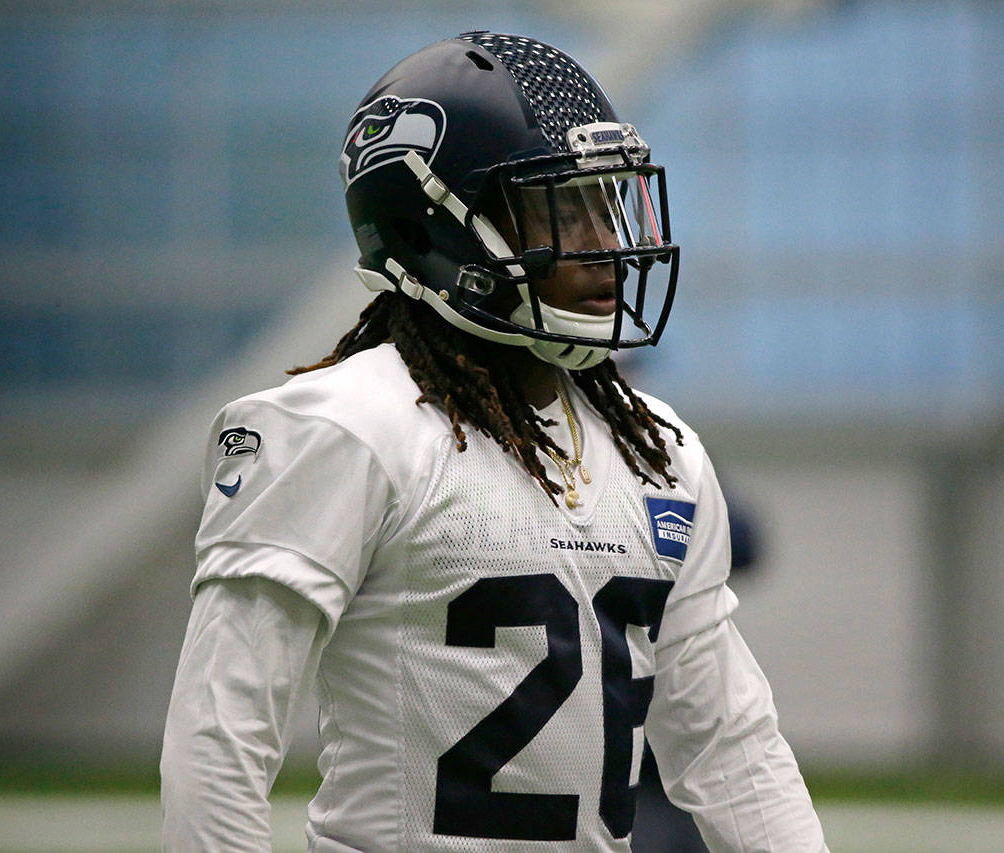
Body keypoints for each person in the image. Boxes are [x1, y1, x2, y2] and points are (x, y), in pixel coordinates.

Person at [160, 31, 828, 852]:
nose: (606, 245)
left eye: (607, 203)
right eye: (560, 208)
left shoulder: (660, 449)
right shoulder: (343, 427)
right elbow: (221, 741)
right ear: (438, 229)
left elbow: (732, 748)